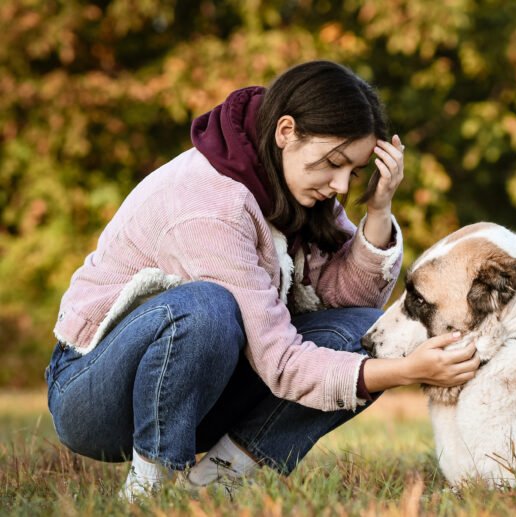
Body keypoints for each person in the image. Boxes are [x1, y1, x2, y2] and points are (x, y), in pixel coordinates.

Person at [45, 60, 480, 502]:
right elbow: (279, 361)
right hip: (93, 395)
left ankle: (219, 479)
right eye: (333, 163)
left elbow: (348, 299)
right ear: (286, 131)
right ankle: (150, 489)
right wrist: (403, 372)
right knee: (206, 308)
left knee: (361, 331)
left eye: (354, 170)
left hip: (202, 389)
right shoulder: (211, 203)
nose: (340, 185)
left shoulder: (290, 182)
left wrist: (380, 210)